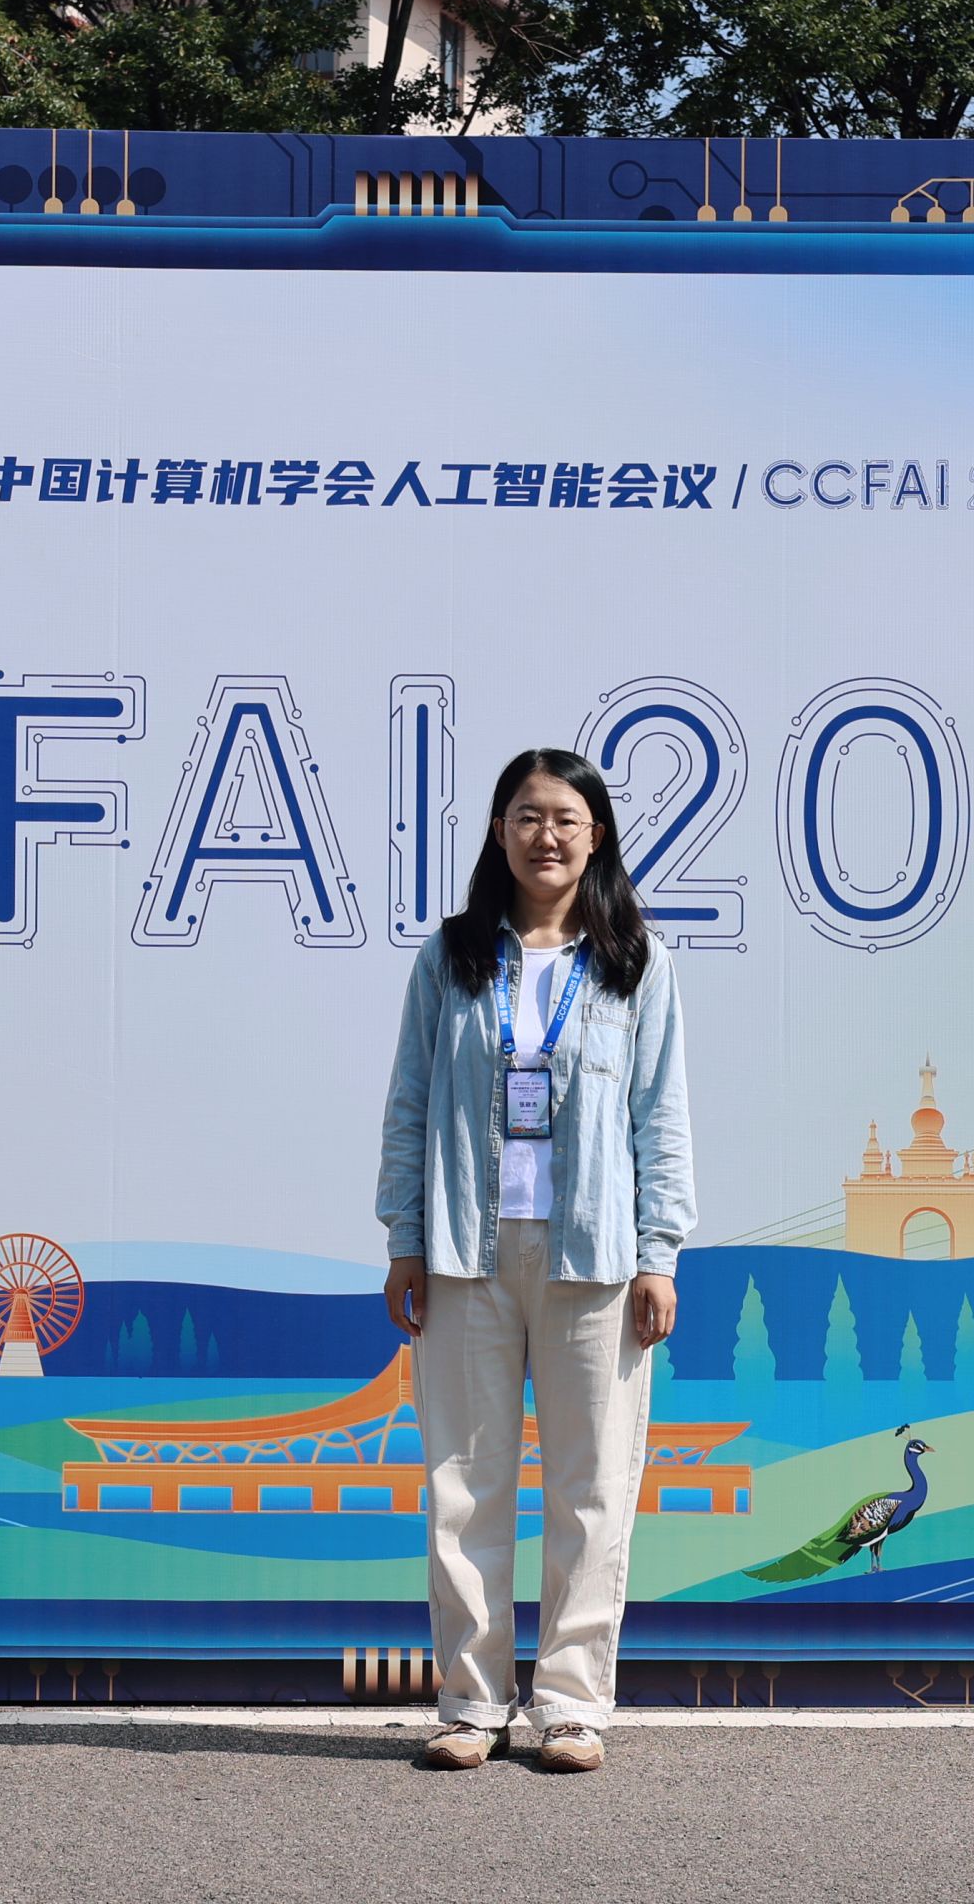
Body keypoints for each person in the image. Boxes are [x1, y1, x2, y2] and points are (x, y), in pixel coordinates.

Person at [376, 746, 695, 1773]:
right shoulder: (452, 955)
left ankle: (569, 1704)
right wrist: (404, 1239)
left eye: (564, 818)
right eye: (525, 815)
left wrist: (658, 1253)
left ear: (595, 835)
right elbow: (409, 1104)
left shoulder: (634, 960)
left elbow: (659, 1117)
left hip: (593, 1254)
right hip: (466, 1252)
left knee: (590, 1485)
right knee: (463, 1484)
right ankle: (470, 1703)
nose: (544, 835)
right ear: (498, 831)